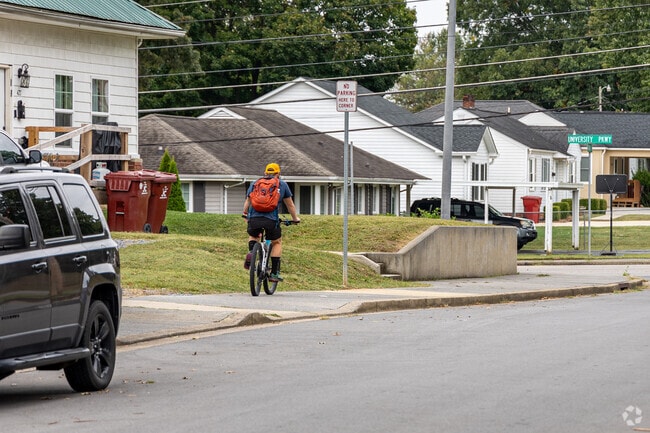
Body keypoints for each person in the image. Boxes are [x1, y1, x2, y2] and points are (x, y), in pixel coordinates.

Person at [243, 163, 300, 282]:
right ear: (278, 173)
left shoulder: (255, 183)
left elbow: (248, 200)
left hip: (254, 218)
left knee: (253, 236)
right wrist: (295, 219)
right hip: (271, 220)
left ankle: (251, 253)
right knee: (277, 242)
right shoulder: (282, 185)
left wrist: (245, 213)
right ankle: (274, 273)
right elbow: (290, 205)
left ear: (265, 173)